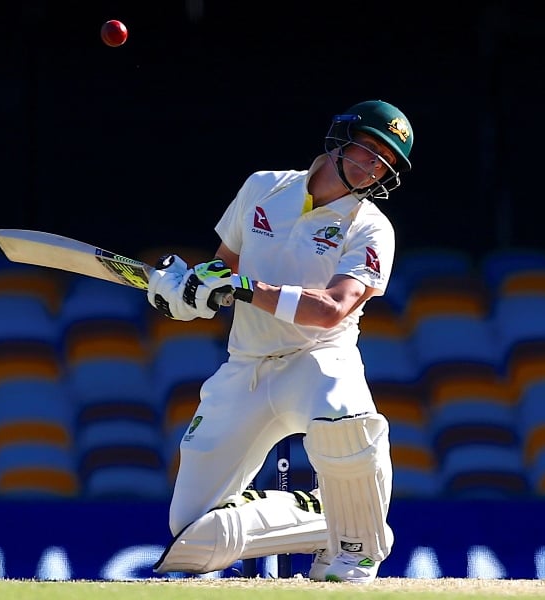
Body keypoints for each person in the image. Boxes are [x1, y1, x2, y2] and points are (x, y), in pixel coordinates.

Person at [147, 99, 413, 584]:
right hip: (245, 366)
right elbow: (223, 266)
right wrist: (188, 294)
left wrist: (244, 288)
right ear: (341, 137)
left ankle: (359, 542)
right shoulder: (262, 187)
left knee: (344, 417)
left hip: (318, 357)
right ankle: (326, 513)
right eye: (370, 148)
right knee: (192, 532)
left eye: (386, 162)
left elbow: (332, 307)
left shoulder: (372, 228)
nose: (375, 165)